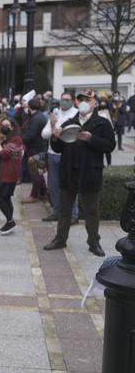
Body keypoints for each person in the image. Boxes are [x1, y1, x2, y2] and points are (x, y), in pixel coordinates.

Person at [44, 90, 116, 257]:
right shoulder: (70, 122)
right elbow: (57, 148)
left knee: (92, 211)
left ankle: (94, 242)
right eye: (81, 100)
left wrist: (91, 139)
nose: (83, 102)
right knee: (65, 210)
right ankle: (60, 239)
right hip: (69, 171)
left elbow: (110, 146)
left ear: (95, 103)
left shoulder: (102, 123)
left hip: (90, 172)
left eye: (88, 100)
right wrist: (54, 136)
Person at [41, 92, 79, 223]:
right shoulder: (56, 113)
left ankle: (73, 215)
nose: (64, 102)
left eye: (67, 100)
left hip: (68, 155)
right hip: (52, 154)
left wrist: (59, 132)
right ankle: (57, 212)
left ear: (73, 101)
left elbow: (74, 134)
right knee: (53, 185)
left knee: (70, 185)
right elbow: (44, 134)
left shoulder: (76, 113)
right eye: (63, 99)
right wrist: (52, 125)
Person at [0, 118, 24, 234]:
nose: (3, 127)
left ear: (12, 127)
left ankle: (11, 221)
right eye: (2, 125)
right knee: (5, 197)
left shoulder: (16, 139)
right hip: (5, 172)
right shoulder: (8, 138)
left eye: (6, 125)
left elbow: (4, 154)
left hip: (9, 173)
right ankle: (9, 222)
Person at [21, 97, 49, 203]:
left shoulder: (36, 118)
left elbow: (30, 135)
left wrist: (21, 141)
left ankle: (34, 195)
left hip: (37, 149)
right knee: (38, 172)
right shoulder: (38, 116)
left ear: (29, 107)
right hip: (39, 147)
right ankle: (43, 193)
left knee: (35, 172)